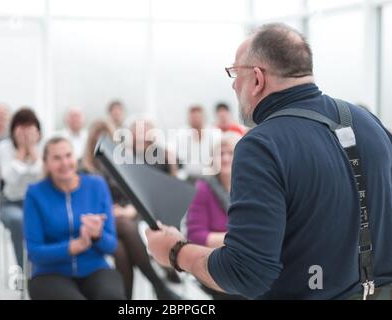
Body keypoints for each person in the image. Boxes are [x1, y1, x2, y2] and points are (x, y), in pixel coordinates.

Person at [146, 23, 392, 300]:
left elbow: (245, 273)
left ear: (257, 79)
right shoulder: (367, 121)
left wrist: (175, 251)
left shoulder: (261, 145)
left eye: (235, 73)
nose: (233, 84)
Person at [81, 120, 180, 300]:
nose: (100, 141)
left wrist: (130, 210)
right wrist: (111, 213)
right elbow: (84, 202)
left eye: (105, 137)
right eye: (96, 137)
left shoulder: (122, 163)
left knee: (122, 252)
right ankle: (160, 287)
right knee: (125, 228)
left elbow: (133, 194)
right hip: (97, 221)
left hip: (123, 218)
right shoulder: (84, 167)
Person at [24, 137, 125, 300]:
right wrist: (73, 247)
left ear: (75, 158)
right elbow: (34, 252)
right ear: (46, 163)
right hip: (49, 273)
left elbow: (111, 245)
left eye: (68, 155)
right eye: (56, 158)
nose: (64, 163)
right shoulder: (35, 194)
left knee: (112, 296)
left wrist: (97, 235)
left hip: (95, 268)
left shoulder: (97, 185)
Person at [186, 132, 244, 300]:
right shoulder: (203, 188)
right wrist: (241, 238)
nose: (225, 158)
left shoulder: (252, 186)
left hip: (248, 259)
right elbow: (195, 236)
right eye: (221, 153)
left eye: (231, 153)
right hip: (214, 262)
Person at [0, 108, 43, 268]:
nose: (26, 134)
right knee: (19, 221)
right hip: (12, 203)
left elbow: (44, 177)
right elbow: (9, 178)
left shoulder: (44, 146)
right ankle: (26, 270)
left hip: (39, 203)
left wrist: (33, 152)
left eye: (29, 128)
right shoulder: (5, 147)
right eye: (21, 128)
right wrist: (22, 153)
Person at [173, 105, 219, 183]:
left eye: (198, 117)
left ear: (204, 118)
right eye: (192, 117)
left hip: (209, 179)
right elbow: (173, 154)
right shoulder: (181, 134)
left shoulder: (215, 134)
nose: (195, 120)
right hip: (187, 178)